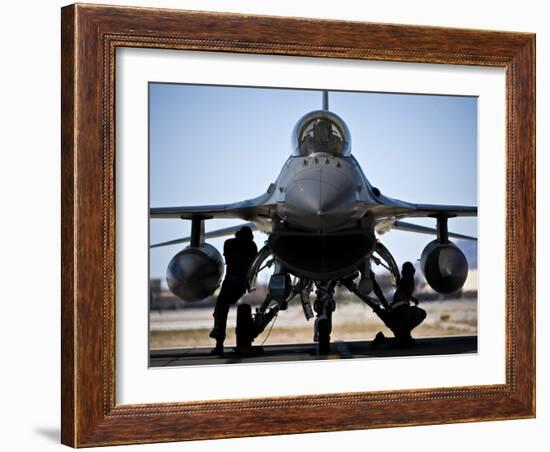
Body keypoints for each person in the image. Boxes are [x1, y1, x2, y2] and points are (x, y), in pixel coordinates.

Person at [209, 226, 258, 355]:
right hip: (241, 285)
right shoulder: (251, 247)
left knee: (221, 310)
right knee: (221, 309)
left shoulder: (230, 244)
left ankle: (219, 343)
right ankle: (219, 339)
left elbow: (230, 259)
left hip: (230, 283)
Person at [373, 262, 426, 346]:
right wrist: (412, 298)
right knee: (421, 314)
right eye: (409, 270)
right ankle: (400, 332)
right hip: (400, 310)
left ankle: (386, 338)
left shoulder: (406, 280)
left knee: (404, 340)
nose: (412, 272)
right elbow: (404, 290)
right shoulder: (406, 280)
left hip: (400, 310)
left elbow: (404, 290)